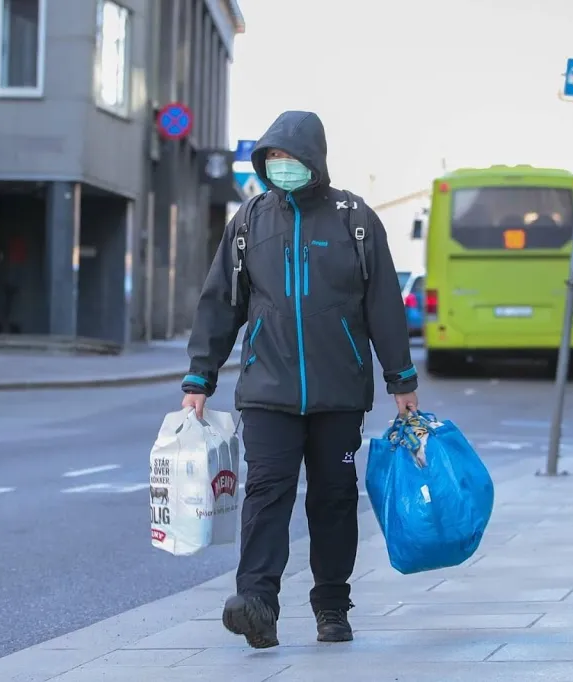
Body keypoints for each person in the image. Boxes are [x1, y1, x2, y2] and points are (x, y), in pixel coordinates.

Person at [180, 111, 419, 649]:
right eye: (273, 159)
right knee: (266, 493)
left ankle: (332, 605)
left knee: (334, 498)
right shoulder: (249, 223)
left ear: (315, 159)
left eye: (290, 158)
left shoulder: (354, 219)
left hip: (338, 392)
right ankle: (257, 602)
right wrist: (200, 376)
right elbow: (221, 303)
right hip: (268, 390)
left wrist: (400, 378)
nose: (282, 167)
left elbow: (384, 304)